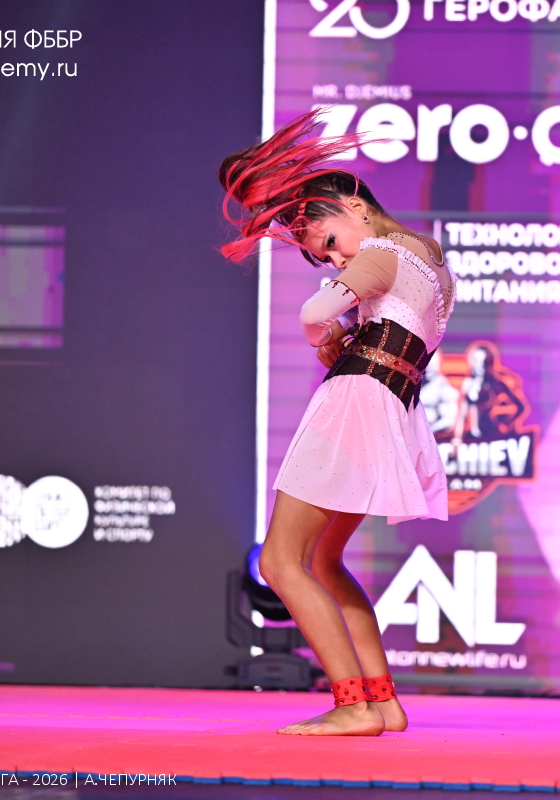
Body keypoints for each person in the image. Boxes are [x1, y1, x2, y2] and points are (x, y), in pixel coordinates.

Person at [218, 111, 456, 736]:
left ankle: (353, 705)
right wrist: (342, 335)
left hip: (354, 406)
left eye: (327, 241)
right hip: (390, 406)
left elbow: (313, 311)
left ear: (354, 204)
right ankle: (382, 701)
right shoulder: (430, 259)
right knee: (324, 560)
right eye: (324, 254)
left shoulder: (380, 252)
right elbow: (389, 328)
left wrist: (322, 335)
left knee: (280, 561)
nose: (332, 258)